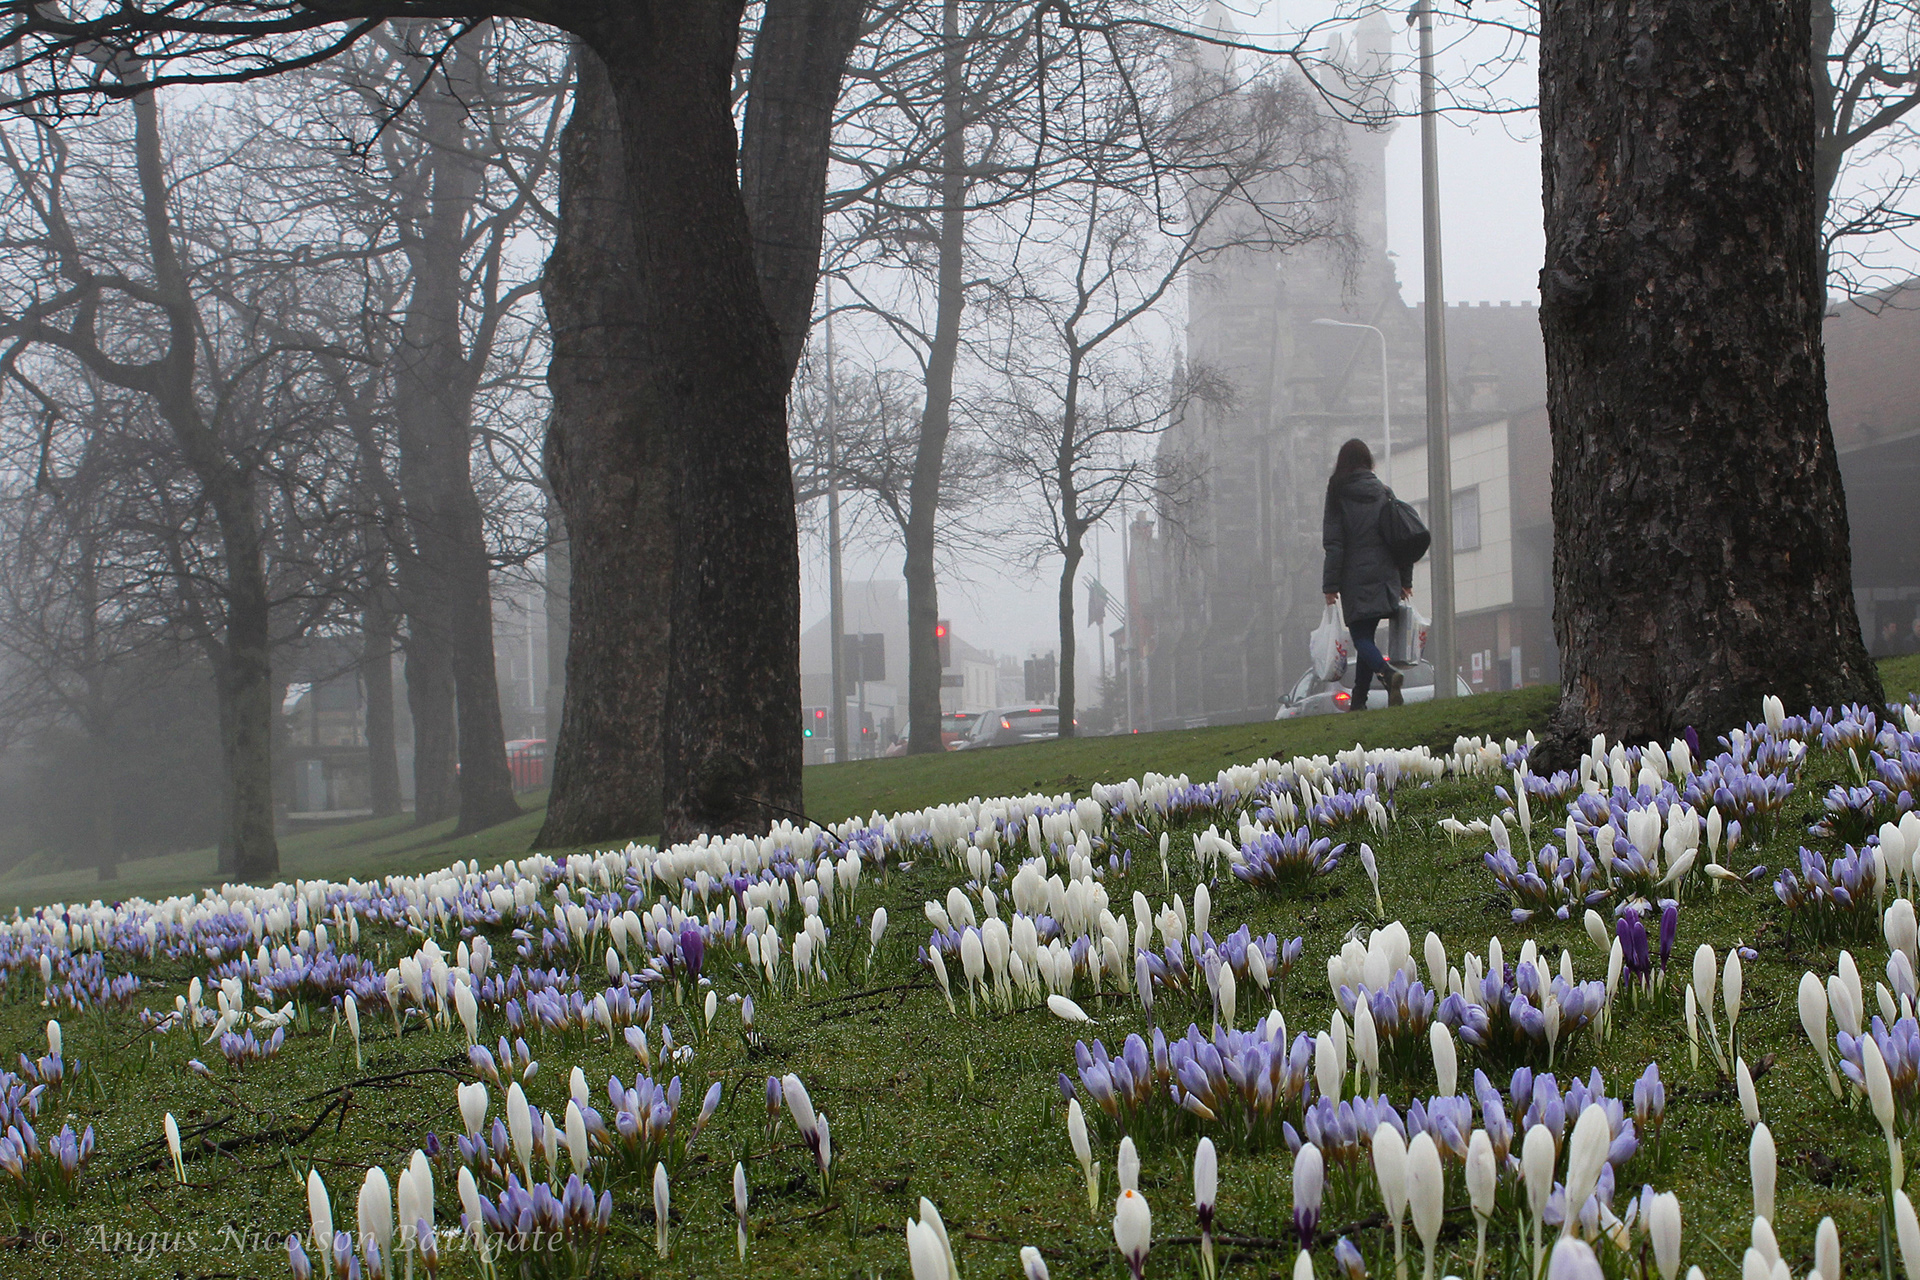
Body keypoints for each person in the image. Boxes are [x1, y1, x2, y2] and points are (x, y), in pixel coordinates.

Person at [1322, 438, 1413, 710]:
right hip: (1385, 574)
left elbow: (1334, 542)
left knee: (1361, 637)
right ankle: (1359, 702)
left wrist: (1330, 585)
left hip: (1355, 576)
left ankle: (1387, 673)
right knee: (1366, 636)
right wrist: (1405, 580)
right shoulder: (1384, 492)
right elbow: (1401, 537)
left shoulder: (1338, 492)